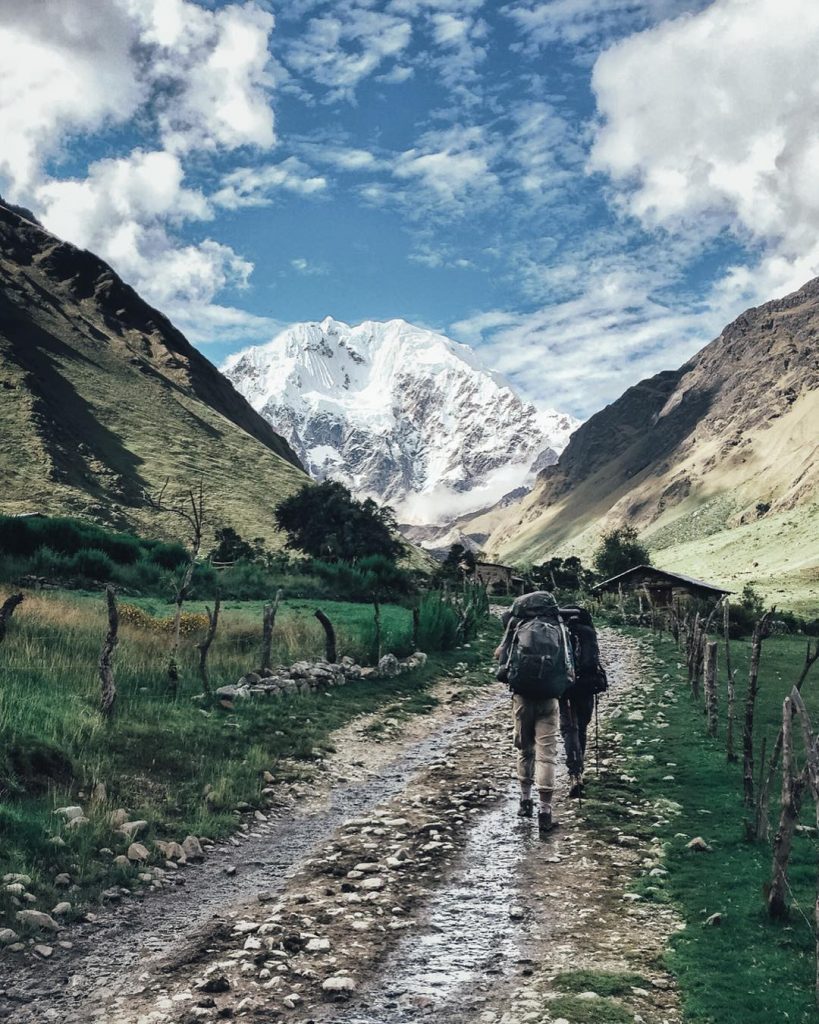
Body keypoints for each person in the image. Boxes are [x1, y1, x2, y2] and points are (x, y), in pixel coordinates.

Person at [495, 591, 574, 838]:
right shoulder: (559, 626)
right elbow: (569, 665)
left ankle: (524, 802)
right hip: (550, 698)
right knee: (546, 755)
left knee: (525, 749)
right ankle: (545, 812)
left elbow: (502, 660)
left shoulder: (518, 624)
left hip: (522, 697)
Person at [558, 606, 607, 798]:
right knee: (582, 727)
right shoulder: (588, 632)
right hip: (587, 686)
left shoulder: (560, 633)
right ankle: (580, 768)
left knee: (569, 728)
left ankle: (574, 773)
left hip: (567, 688)